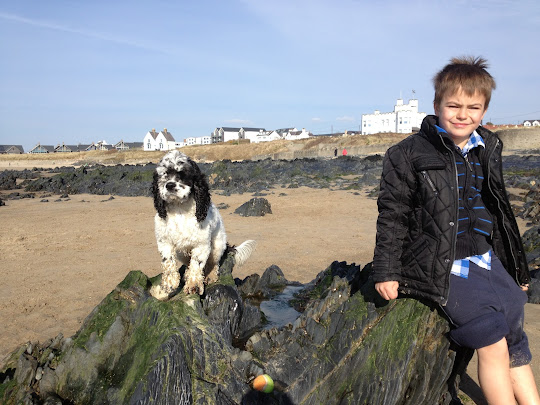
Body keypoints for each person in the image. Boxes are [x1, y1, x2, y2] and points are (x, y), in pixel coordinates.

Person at [372, 56, 540, 404]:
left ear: (483, 110)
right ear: (437, 106)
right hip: (441, 263)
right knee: (491, 342)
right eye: (454, 105)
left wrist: (516, 268)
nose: (463, 114)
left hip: (484, 258)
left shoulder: (486, 147)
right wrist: (386, 271)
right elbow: (393, 215)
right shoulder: (408, 154)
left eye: (473, 107)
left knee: (513, 328)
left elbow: (500, 211)